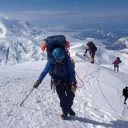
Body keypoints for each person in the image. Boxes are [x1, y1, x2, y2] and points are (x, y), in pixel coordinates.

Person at [33, 48, 77, 119]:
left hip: (68, 80)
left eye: (62, 58)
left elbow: (72, 72)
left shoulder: (67, 60)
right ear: (54, 57)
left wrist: (73, 82)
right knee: (62, 98)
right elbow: (44, 72)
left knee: (71, 96)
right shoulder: (51, 62)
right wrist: (39, 81)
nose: (61, 60)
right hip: (58, 82)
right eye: (58, 59)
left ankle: (67, 108)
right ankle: (65, 112)